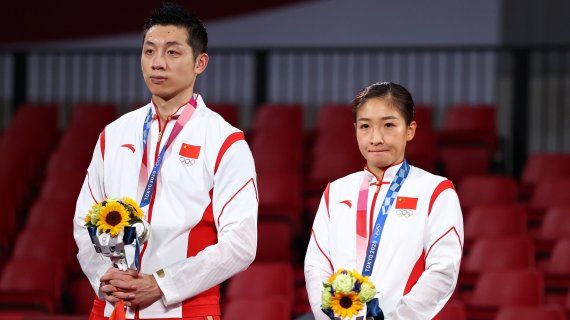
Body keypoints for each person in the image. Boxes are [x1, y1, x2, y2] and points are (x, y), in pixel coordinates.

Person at [73, 3, 258, 319]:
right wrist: (104, 278)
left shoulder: (225, 141)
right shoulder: (114, 134)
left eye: (172, 53)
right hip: (111, 307)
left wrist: (161, 284)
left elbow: (240, 244)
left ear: (200, 63)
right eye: (149, 51)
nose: (157, 63)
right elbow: (83, 221)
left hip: (182, 309)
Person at [304, 82, 463, 319]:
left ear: (410, 130)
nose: (376, 138)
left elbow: (442, 271)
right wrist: (328, 315)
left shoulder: (436, 191)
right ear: (355, 129)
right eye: (365, 126)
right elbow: (316, 265)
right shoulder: (336, 192)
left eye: (389, 125)